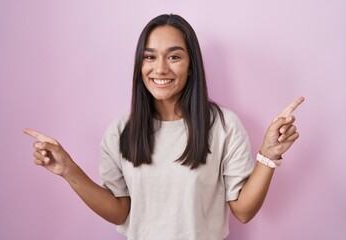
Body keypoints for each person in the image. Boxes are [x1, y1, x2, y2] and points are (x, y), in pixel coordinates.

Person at [24, 14, 304, 240]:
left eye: (174, 56)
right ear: (140, 65)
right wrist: (68, 170)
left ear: (191, 65)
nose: (160, 69)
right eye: (149, 57)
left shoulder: (223, 126)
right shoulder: (120, 131)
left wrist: (268, 155)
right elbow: (120, 212)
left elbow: (243, 211)